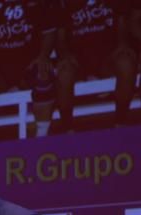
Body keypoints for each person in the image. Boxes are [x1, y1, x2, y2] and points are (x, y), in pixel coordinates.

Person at [0, 0, 58, 140]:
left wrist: (43, 55)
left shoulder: (38, 4)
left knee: (44, 73)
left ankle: (42, 137)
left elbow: (49, 32)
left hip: (28, 66)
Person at [55, 0, 135, 130]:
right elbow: (60, 37)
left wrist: (122, 42)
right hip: (78, 59)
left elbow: (122, 21)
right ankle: (67, 128)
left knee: (126, 63)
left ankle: (121, 122)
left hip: (107, 56)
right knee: (64, 73)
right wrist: (65, 54)